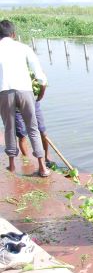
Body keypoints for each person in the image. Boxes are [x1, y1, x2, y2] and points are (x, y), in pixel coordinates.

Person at [0, 20, 50, 177]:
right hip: (25, 90)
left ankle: (12, 166)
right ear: (13, 34)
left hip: (5, 91)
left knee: (9, 127)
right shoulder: (23, 47)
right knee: (33, 128)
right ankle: (42, 167)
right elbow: (39, 74)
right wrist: (41, 90)